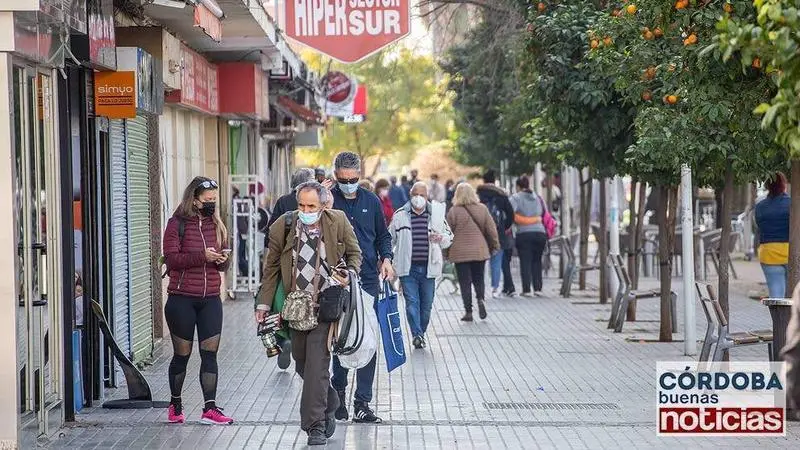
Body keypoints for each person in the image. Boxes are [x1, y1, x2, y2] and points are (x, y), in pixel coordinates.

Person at [257, 181, 362, 446]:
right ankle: (332, 400)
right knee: (302, 362)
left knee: (317, 364)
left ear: (323, 204)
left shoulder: (336, 221)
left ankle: (313, 425)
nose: (306, 210)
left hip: (326, 306)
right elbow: (270, 267)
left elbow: (355, 254)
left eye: (311, 206)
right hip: (295, 307)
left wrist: (348, 275)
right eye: (302, 205)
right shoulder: (285, 224)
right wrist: (263, 304)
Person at [329, 151, 395, 423]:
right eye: (343, 179)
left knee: (368, 340)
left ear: (360, 175)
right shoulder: (329, 199)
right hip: (336, 279)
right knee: (340, 341)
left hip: (367, 279)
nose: (348, 184)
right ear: (336, 176)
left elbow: (383, 235)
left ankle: (363, 403)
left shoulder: (371, 201)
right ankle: (339, 396)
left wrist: (387, 258)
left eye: (353, 179)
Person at [162, 176, 233, 425]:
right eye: (208, 200)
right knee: (182, 354)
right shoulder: (177, 224)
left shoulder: (217, 225)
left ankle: (210, 408)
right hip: (181, 299)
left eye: (214, 199)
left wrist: (223, 260)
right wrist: (202, 256)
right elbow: (171, 260)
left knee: (210, 354)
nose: (212, 203)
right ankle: (175, 403)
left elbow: (224, 265)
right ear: (194, 199)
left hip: (211, 299)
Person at [389, 182, 453, 349]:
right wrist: (387, 260)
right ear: (410, 195)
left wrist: (441, 239)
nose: (418, 198)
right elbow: (390, 240)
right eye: (415, 194)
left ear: (427, 197)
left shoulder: (436, 216)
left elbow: (449, 237)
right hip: (407, 269)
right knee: (412, 303)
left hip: (429, 269)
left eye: (422, 195)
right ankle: (417, 335)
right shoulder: (400, 215)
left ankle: (421, 332)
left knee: (426, 305)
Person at [446, 183, 500, 321]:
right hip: (479, 250)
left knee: (464, 282)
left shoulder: (453, 211)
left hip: (460, 252)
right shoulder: (482, 209)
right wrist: (495, 245)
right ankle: (480, 299)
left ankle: (468, 311)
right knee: (478, 278)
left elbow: (447, 233)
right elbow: (491, 229)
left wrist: (445, 253)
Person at [476, 170, 514, 298]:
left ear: (484, 180)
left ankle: (479, 288)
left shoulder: (478, 194)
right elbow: (511, 214)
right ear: (494, 180)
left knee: (480, 261)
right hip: (498, 232)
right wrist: (504, 227)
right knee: (496, 260)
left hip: (481, 232)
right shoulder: (501, 195)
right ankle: (495, 288)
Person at [511, 176, 549, 297]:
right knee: (537, 261)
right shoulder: (538, 198)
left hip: (524, 233)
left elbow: (510, 213)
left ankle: (526, 290)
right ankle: (538, 289)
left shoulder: (516, 198)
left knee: (525, 261)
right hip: (540, 233)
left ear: (518, 186)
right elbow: (544, 213)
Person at [754, 172, 790, 298]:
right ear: (784, 185)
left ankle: (778, 318)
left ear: (767, 186)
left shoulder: (760, 207)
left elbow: (759, 227)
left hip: (769, 254)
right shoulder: (794, 204)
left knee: (776, 296)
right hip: (792, 252)